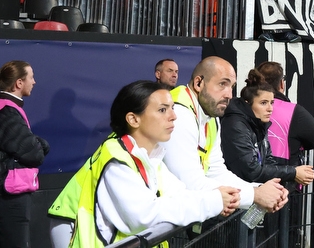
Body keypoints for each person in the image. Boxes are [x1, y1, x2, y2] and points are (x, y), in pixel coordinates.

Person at [48, 81, 236, 248]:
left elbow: (179, 193)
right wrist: (214, 201)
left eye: (172, 108)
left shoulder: (150, 156)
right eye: (163, 110)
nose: (173, 116)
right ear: (133, 119)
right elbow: (145, 216)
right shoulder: (115, 157)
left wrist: (217, 197)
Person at [161, 57, 288, 214]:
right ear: (198, 83)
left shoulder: (211, 118)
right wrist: (255, 195)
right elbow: (189, 183)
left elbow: (216, 171)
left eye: (232, 86)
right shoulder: (178, 114)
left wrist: (261, 189)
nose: (229, 94)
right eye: (222, 84)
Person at [220, 71, 314, 187]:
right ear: (247, 104)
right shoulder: (235, 124)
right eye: (263, 103)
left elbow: (268, 161)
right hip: (235, 196)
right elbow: (251, 170)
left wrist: (279, 187)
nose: (270, 109)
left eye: (272, 103)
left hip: (250, 194)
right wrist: (293, 172)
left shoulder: (259, 122)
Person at [0, 61, 49, 248]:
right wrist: (41, 145)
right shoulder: (7, 111)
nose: (34, 82)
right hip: (9, 197)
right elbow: (33, 153)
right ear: (19, 83)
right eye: (31, 77)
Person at [252, 62, 314, 167]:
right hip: (283, 176)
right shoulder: (292, 111)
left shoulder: (246, 106)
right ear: (281, 84)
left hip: (247, 173)